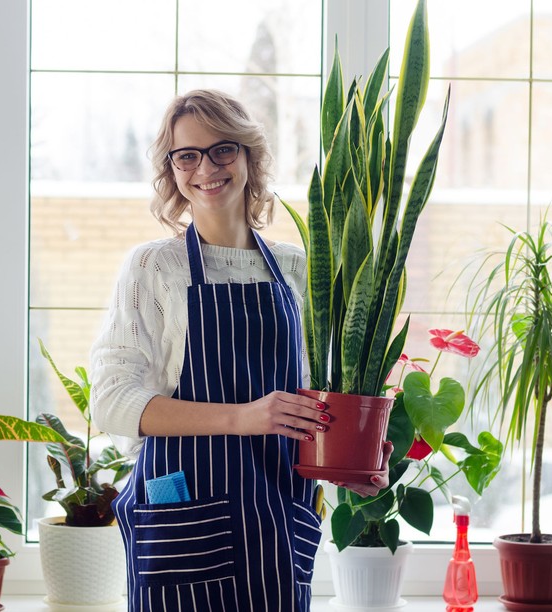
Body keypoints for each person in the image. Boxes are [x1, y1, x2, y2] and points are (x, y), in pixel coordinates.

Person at [89, 89, 392, 612]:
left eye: (222, 149)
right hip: (184, 508)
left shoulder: (299, 267)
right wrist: (245, 417)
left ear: (249, 157)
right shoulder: (153, 268)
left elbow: (318, 395)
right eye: (187, 155)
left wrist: (354, 458)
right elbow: (111, 401)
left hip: (276, 514)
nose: (206, 167)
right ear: (173, 169)